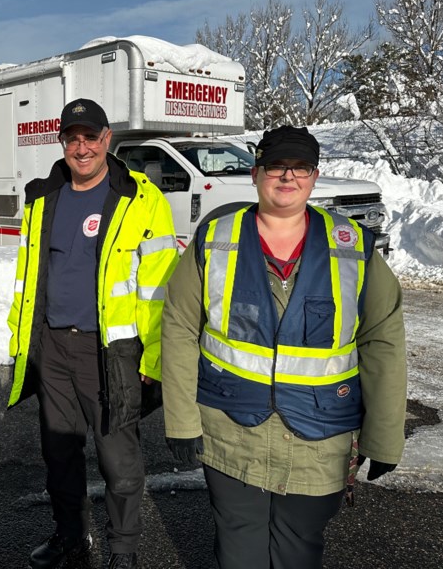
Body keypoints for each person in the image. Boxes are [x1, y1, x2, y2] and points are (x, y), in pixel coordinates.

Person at [161, 124, 408, 569]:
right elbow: (179, 327)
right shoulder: (215, 239)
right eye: (276, 165)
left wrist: (384, 436)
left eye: (301, 167)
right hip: (231, 430)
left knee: (299, 550)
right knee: (239, 552)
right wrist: (181, 421)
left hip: (320, 437)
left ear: (314, 177)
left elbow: (383, 343)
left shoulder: (354, 248)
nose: (288, 176)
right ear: (256, 174)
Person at [6, 98, 179, 569]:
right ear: (63, 142)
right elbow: (31, 277)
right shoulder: (43, 197)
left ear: (107, 139)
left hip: (110, 350)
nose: (81, 148)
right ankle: (70, 538)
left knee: (118, 460)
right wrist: (26, 342)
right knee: (59, 455)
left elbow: (161, 286)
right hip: (53, 347)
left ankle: (122, 550)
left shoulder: (141, 198)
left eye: (90, 137)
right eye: (72, 138)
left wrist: (154, 359)